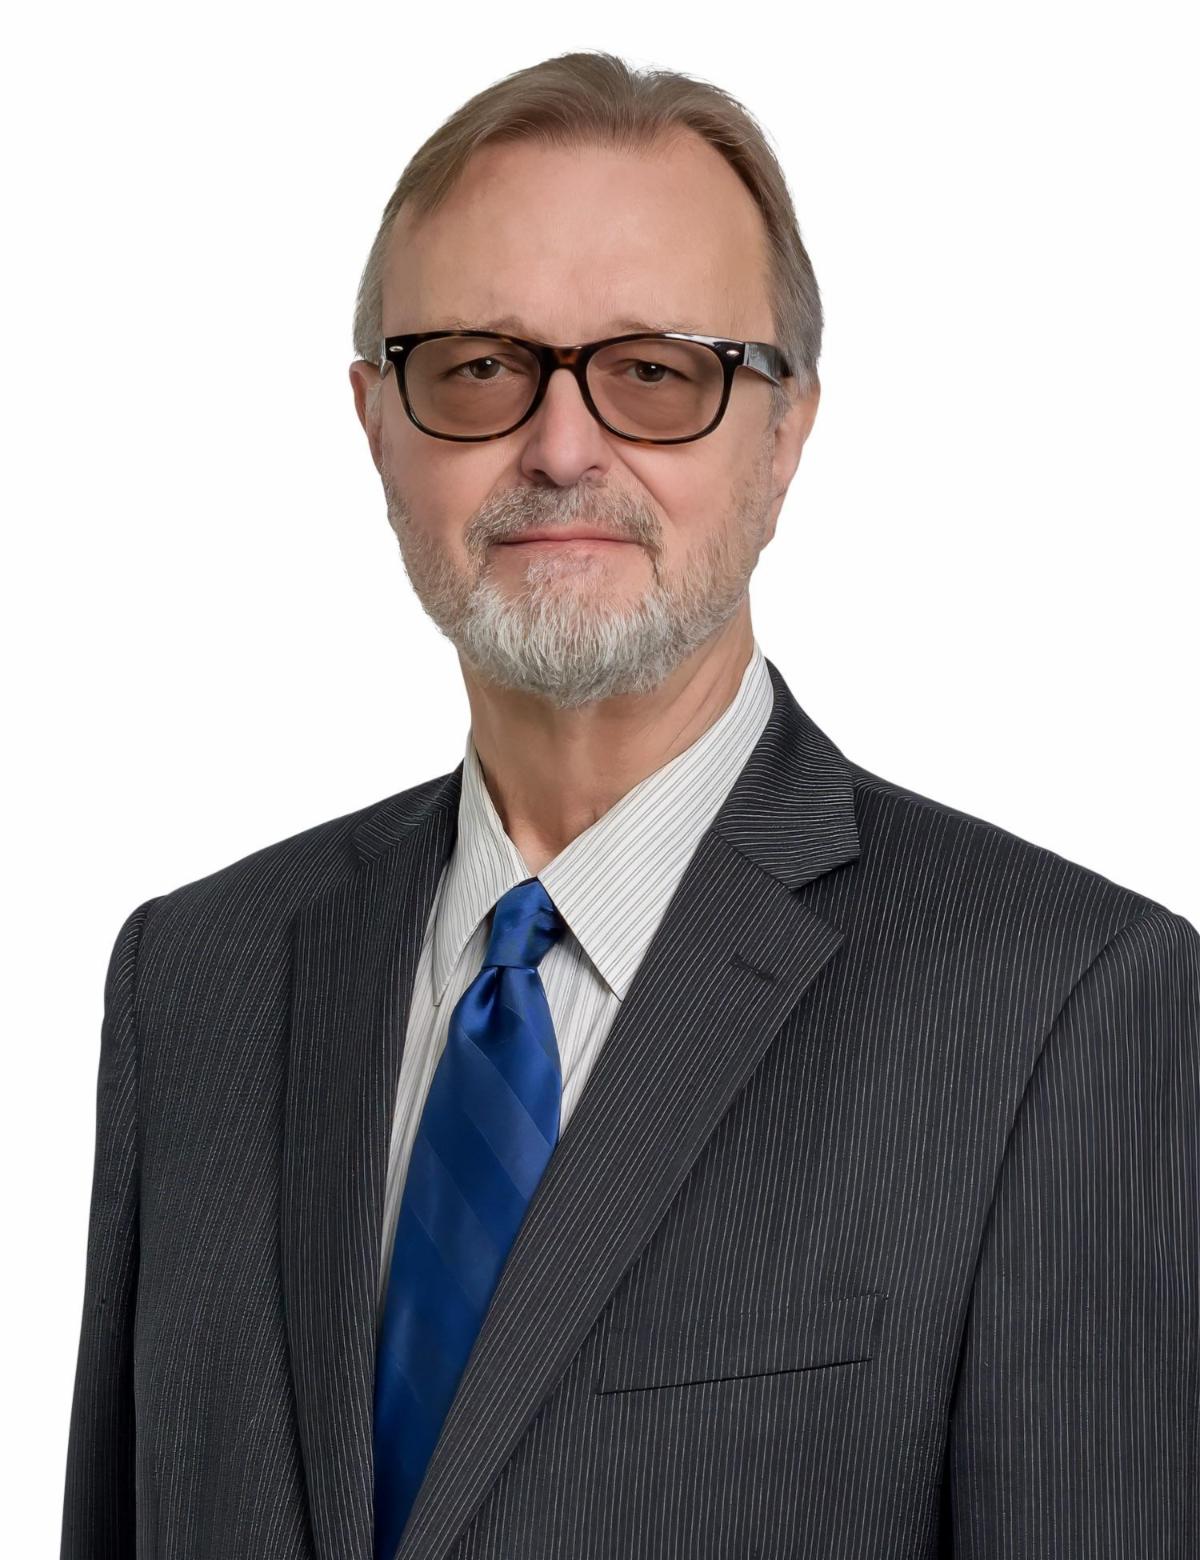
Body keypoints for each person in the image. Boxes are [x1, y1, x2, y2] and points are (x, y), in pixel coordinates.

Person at [61, 49, 1198, 1560]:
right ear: (376, 422)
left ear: (785, 433)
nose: (561, 447)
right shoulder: (194, 979)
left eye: (658, 372)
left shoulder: (1064, 1002)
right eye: (479, 367)